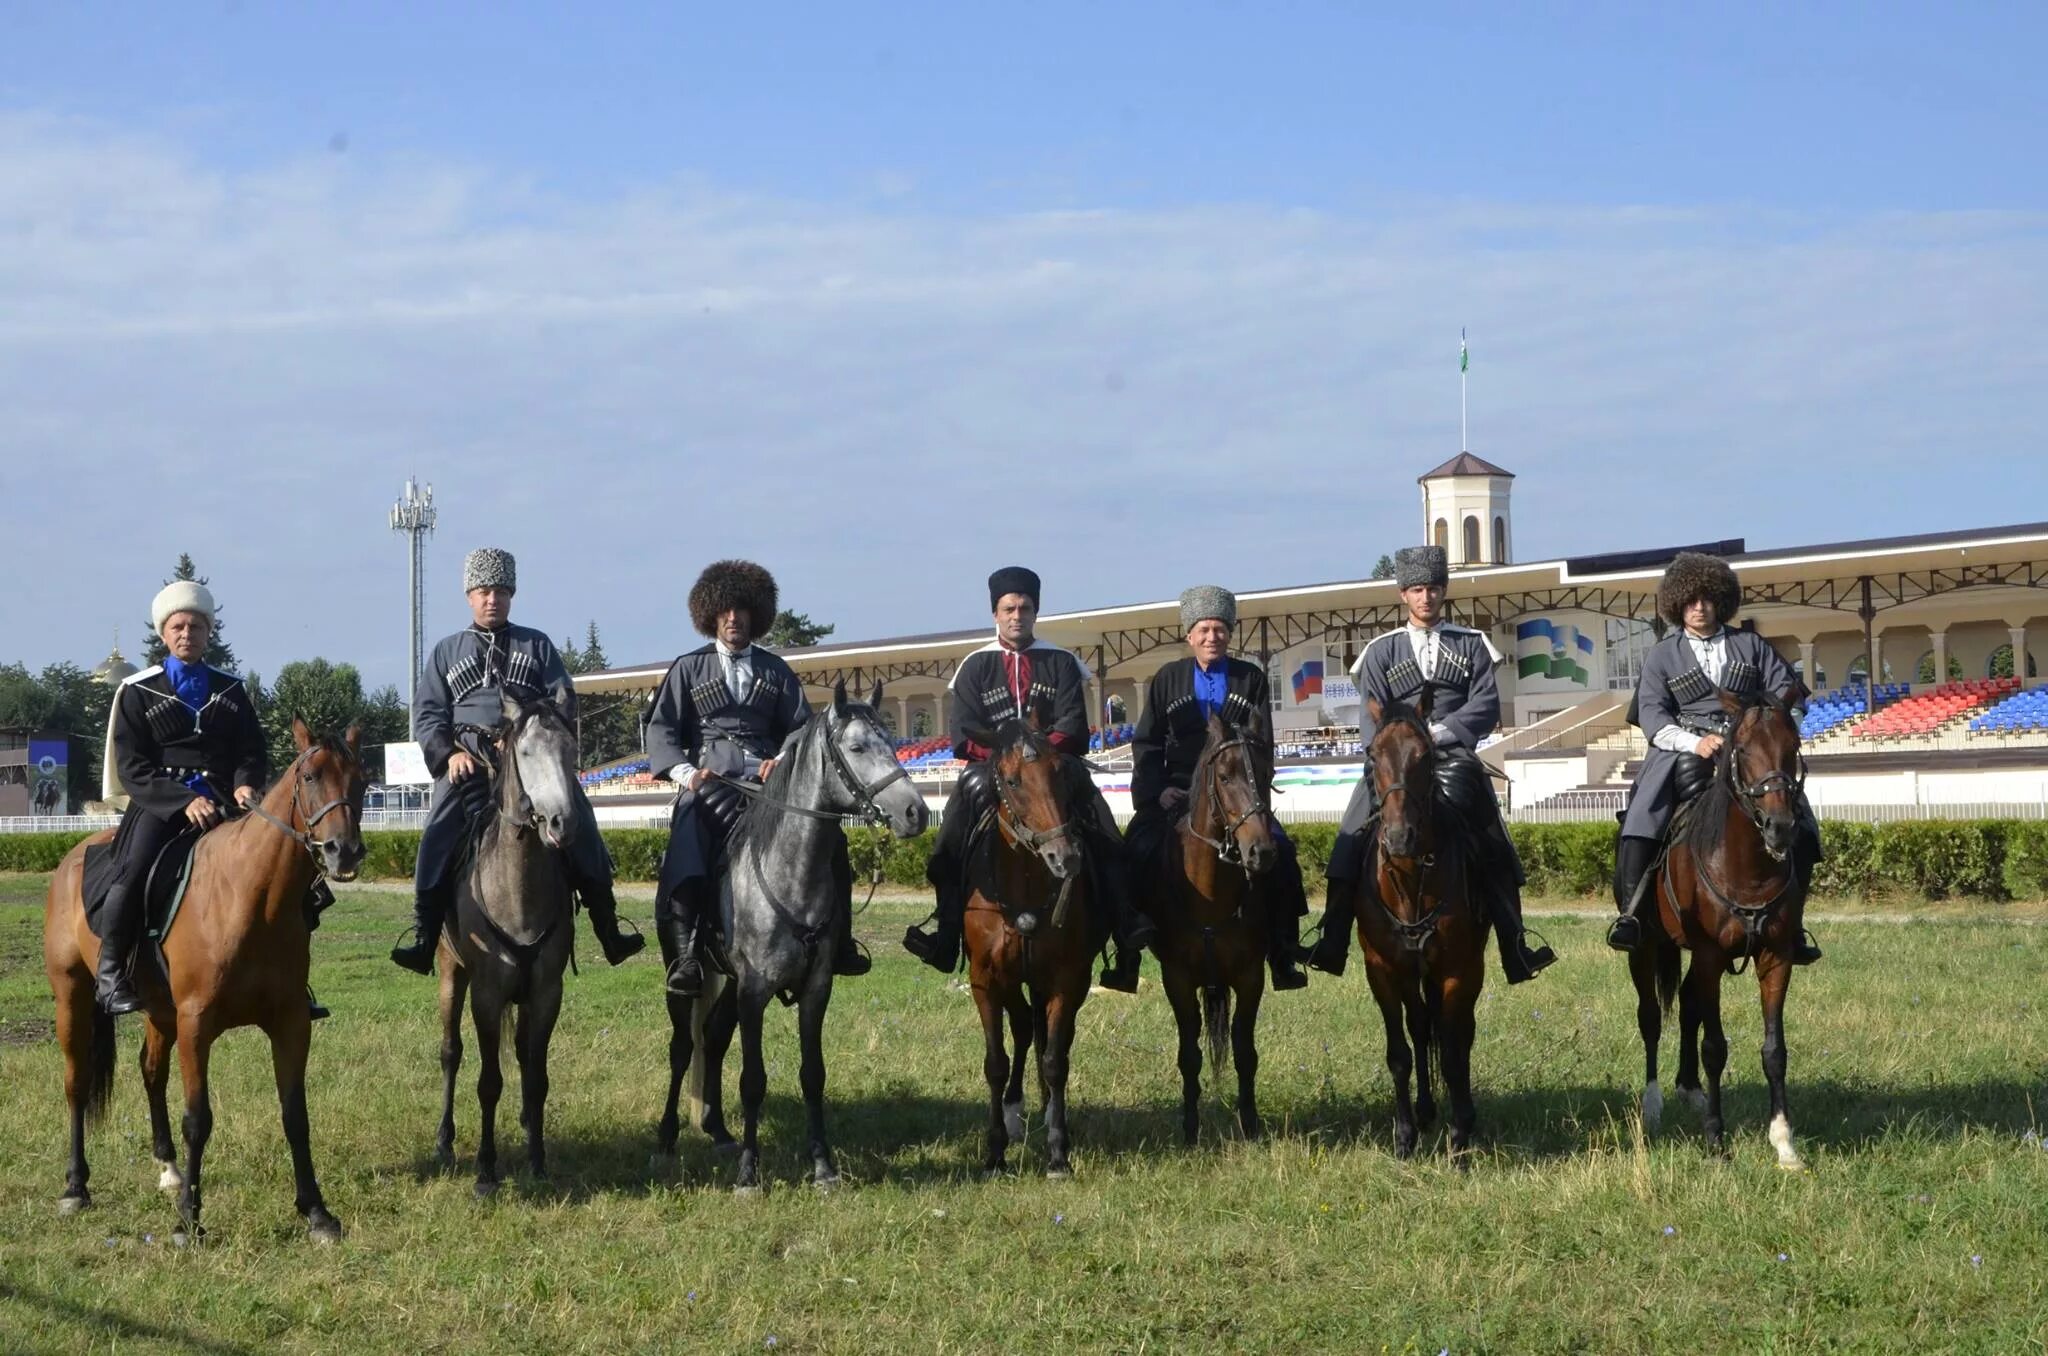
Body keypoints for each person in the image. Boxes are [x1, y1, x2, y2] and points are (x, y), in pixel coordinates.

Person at [1302, 545, 1556, 983]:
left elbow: (1484, 705)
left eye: (1433, 589)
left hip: (1451, 755)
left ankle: (1517, 942)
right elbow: (1370, 713)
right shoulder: (1380, 651)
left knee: (1493, 842)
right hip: (1393, 762)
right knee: (1352, 834)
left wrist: (1435, 735)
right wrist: (1393, 749)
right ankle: (1333, 937)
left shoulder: (1472, 644)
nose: (1426, 598)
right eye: (1417, 590)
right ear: (1404, 594)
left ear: (1443, 592)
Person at [390, 547, 645, 974]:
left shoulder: (538, 645)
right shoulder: (445, 652)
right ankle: (423, 932)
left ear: (512, 596)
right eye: (485, 591)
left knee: (581, 822)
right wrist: (447, 754)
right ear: (470, 595)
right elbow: (428, 714)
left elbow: (564, 700)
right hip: (468, 769)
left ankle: (608, 927)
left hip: (532, 766)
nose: (494, 599)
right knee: (436, 833)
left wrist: (530, 737)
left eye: (502, 592)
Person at [903, 566, 1158, 991]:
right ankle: (946, 934)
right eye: (1008, 608)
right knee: (947, 846)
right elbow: (964, 733)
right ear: (995, 614)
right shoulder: (974, 667)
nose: (1016, 615)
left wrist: (1037, 756)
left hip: (1056, 766)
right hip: (991, 771)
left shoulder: (1060, 662)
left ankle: (1125, 932)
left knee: (1109, 837)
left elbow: (1074, 724)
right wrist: (1008, 759)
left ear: (1035, 611)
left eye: (1024, 608)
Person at [645, 559, 869, 997]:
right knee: (689, 830)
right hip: (711, 785)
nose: (733, 618)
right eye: (725, 610)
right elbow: (662, 730)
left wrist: (782, 759)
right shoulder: (688, 668)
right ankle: (687, 951)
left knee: (832, 839)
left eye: (742, 610)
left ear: (756, 616)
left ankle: (839, 942)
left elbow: (801, 727)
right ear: (711, 614)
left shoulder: (776, 670)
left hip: (770, 787)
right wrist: (688, 776)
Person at [1607, 552, 1823, 962]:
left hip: (1749, 752)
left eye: (1707, 599)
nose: (1699, 607)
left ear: (1720, 601)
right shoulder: (1661, 655)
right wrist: (1694, 742)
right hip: (1683, 752)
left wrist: (1777, 725)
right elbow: (1652, 715)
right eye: (1690, 600)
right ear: (1677, 604)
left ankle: (1793, 925)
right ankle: (1630, 915)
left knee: (1803, 825)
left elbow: (1787, 692)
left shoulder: (1751, 645)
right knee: (1640, 820)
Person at [95, 581, 268, 1015]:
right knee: (131, 874)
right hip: (160, 803)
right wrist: (181, 802)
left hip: (223, 801)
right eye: (178, 626)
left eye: (196, 626)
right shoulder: (138, 689)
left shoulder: (231, 690)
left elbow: (251, 749)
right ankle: (111, 973)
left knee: (280, 869)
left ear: (209, 633)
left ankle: (286, 978)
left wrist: (246, 782)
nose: (187, 633)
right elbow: (132, 766)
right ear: (163, 634)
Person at [1125, 585, 1309, 991]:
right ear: (1189, 634)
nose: (1212, 637)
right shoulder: (1166, 679)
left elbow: (1264, 745)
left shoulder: (1252, 679)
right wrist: (1156, 793)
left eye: (1221, 629)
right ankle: (1128, 952)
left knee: (1283, 852)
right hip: (1175, 792)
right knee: (1134, 847)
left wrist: (1253, 792)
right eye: (1204, 629)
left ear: (1230, 633)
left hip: (1237, 794)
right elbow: (1147, 743)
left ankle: (1282, 951)